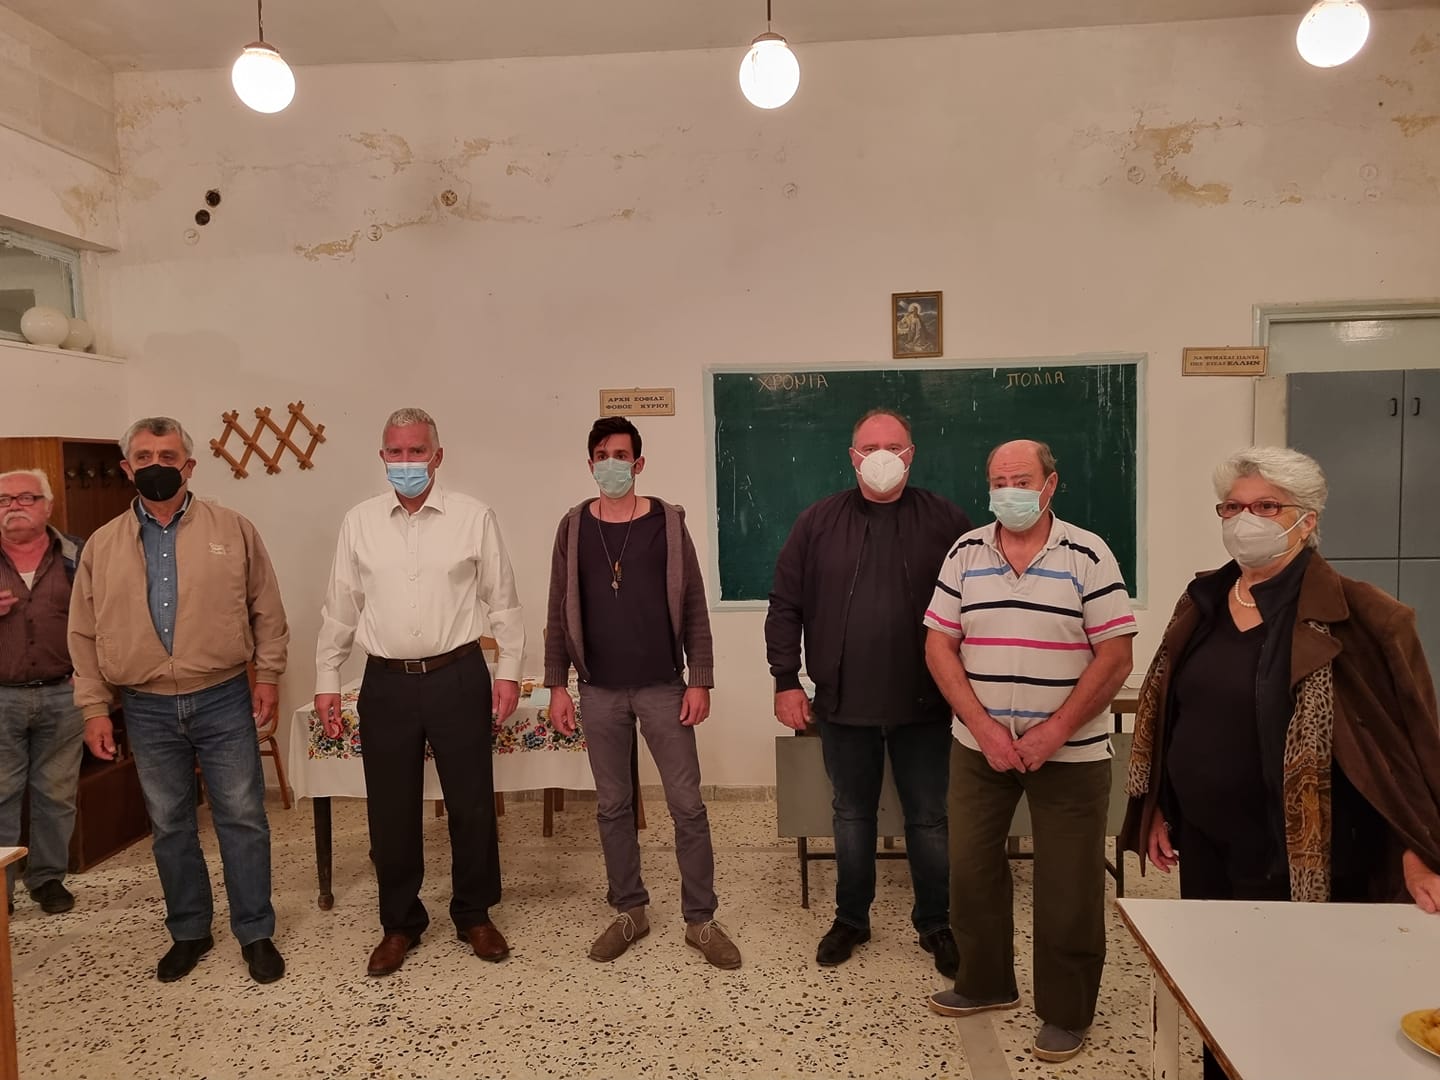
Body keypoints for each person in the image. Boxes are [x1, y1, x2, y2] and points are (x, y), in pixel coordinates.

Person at [1120, 446, 1440, 1080]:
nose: (1246, 519)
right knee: (1216, 990)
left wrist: (1418, 845)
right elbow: (1173, 713)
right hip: (1208, 845)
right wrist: (1159, 805)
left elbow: (1409, 745)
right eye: (1233, 507)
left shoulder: (1366, 616)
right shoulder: (1203, 601)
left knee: (1295, 1003)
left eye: (1267, 506)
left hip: (1306, 850)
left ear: (1307, 518)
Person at [923, 438, 1135, 1064]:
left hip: (1071, 753)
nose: (1008, 491)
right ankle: (984, 982)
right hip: (978, 748)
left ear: (1050, 484)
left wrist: (1055, 731)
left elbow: (1116, 656)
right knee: (969, 870)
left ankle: (1066, 1011)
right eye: (998, 481)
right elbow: (939, 646)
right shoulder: (964, 552)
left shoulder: (1088, 554)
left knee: (1069, 886)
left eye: (1021, 480)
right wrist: (984, 727)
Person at [68, 417, 288, 984]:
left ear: (189, 466)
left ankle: (255, 931)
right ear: (127, 468)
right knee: (169, 824)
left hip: (222, 696)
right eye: (144, 457)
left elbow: (266, 608)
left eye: (168, 456)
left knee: (242, 817)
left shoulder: (233, 529)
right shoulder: (102, 545)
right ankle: (190, 930)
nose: (156, 466)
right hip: (145, 705)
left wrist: (267, 676)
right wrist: (94, 707)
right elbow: (83, 633)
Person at [316, 407, 524, 977]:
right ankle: (400, 922)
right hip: (385, 681)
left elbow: (503, 601)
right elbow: (340, 607)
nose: (405, 461)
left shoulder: (473, 517)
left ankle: (474, 913)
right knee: (391, 809)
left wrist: (509, 670)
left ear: (438, 455)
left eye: (416, 451)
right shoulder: (359, 522)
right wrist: (327, 677)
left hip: (458, 674)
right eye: (395, 451)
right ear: (382, 456)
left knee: (471, 803)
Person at [766, 408, 971, 975]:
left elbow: (977, 606)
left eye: (895, 446)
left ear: (912, 454)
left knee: (929, 818)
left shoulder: (948, 521)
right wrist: (785, 680)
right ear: (852, 457)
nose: (883, 457)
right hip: (842, 703)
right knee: (851, 816)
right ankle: (851, 919)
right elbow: (785, 605)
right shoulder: (817, 522)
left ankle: (936, 921)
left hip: (926, 703)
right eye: (870, 447)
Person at [544, 417, 740, 969]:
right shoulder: (573, 527)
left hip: (662, 686)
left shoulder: (668, 523)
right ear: (590, 464)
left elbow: (695, 604)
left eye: (621, 454)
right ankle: (630, 910)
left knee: (687, 805)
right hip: (598, 690)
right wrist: (557, 684)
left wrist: (700, 679)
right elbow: (558, 608)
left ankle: (700, 920)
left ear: (639, 463)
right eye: (602, 455)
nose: (612, 463)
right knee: (613, 806)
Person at [0, 469, 84, 917]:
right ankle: (0, 892)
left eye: (25, 497)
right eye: (3, 500)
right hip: (1, 696)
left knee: (56, 793)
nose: (13, 506)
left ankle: (48, 879)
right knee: (1, 795)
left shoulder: (78, 554)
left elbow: (103, 619)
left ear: (47, 506)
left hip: (64, 694)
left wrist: (90, 676)